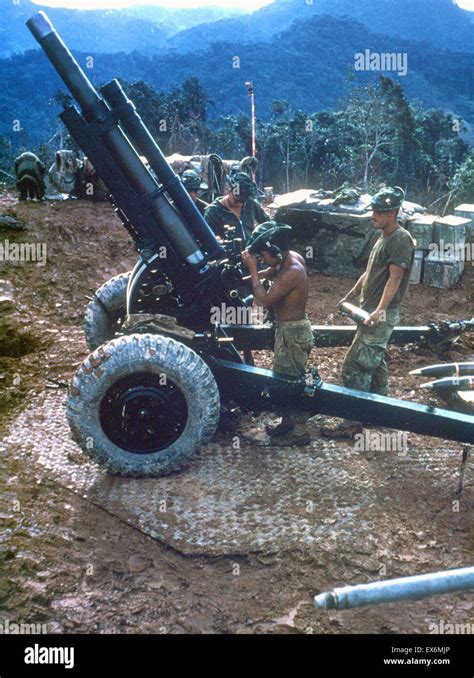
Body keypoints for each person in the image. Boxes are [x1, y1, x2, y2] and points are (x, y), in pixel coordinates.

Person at [322, 186, 415, 438]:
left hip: (380, 316)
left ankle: (352, 424)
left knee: (355, 367)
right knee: (375, 362)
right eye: (374, 210)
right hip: (370, 313)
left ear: (393, 213)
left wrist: (379, 310)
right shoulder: (382, 237)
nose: (373, 215)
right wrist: (351, 294)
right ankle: (379, 412)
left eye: (379, 211)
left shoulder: (401, 239)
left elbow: (394, 278)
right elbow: (369, 273)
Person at [241, 221, 314, 446]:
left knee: (292, 381)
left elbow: (263, 301)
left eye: (263, 256)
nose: (262, 261)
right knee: (283, 378)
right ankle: (288, 422)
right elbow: (270, 270)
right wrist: (242, 276)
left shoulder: (292, 271)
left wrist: (253, 272)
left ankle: (300, 432)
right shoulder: (287, 257)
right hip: (288, 331)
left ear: (273, 250)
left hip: (293, 333)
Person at [204, 172, 267, 246]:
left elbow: (266, 222)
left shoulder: (250, 203)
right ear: (229, 191)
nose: (241, 204)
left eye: (244, 201)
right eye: (238, 200)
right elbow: (207, 240)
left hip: (251, 253)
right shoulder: (213, 212)